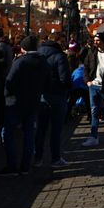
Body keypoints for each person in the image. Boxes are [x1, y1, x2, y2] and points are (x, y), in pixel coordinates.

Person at [1, 36, 50, 175]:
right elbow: (48, 84)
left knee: (8, 133)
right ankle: (25, 166)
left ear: (23, 48)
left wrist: (7, 95)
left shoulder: (20, 61)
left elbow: (10, 81)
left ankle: (12, 165)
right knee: (29, 135)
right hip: (34, 102)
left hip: (16, 102)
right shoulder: (44, 62)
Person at [35, 34, 72, 168]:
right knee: (56, 130)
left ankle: (38, 158)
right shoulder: (60, 56)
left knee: (40, 129)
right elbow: (65, 79)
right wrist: (66, 90)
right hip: (57, 96)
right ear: (58, 42)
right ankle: (55, 159)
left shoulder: (38, 54)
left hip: (40, 96)